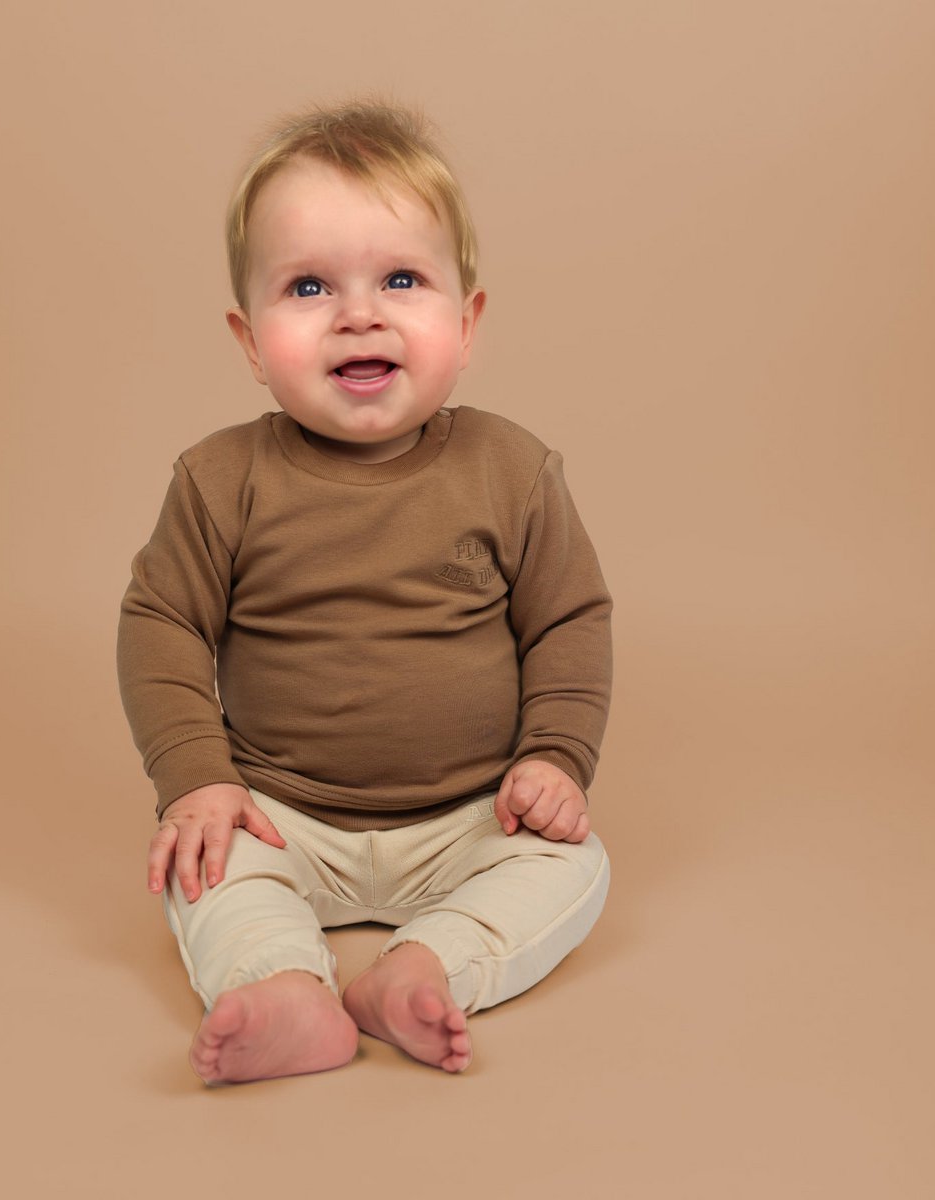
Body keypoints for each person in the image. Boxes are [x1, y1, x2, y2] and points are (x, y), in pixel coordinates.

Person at [117, 99, 613, 1085]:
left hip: (472, 815)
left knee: (574, 867)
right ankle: (281, 989)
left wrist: (556, 756)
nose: (359, 314)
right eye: (308, 287)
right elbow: (160, 626)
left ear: (465, 323)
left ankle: (424, 969)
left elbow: (568, 620)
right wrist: (199, 781)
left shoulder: (511, 470)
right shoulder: (222, 480)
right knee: (205, 866)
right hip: (281, 812)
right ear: (250, 340)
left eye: (401, 279)